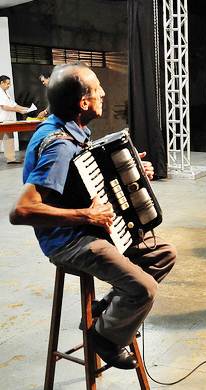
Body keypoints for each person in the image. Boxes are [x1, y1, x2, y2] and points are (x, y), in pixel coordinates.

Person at [9, 63, 176, 369]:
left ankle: (107, 312)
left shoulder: (68, 130)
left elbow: (82, 179)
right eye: (97, 88)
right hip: (68, 241)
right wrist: (86, 216)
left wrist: (133, 172)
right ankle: (105, 337)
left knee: (163, 254)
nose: (103, 92)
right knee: (144, 289)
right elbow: (22, 211)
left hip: (86, 230)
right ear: (83, 103)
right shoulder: (58, 145)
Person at [0, 75, 28, 163]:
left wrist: (26, 108)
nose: (9, 85)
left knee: (10, 138)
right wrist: (19, 111)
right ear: (1, 83)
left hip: (8, 120)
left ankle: (11, 159)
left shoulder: (6, 93)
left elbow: (14, 104)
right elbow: (4, 107)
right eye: (7, 84)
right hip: (1, 120)